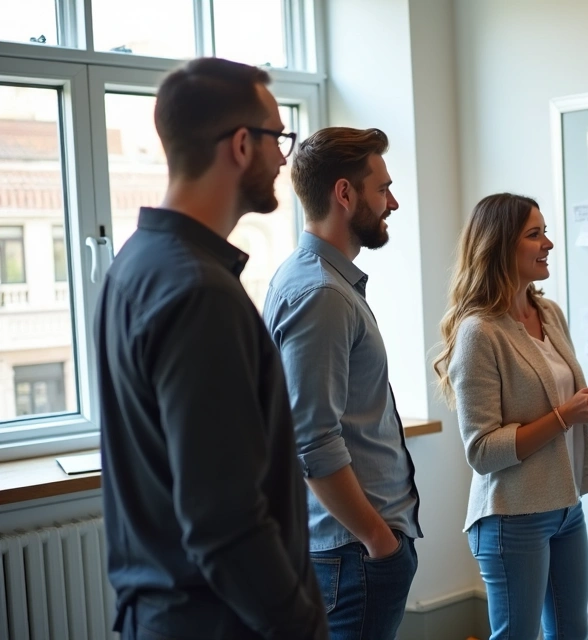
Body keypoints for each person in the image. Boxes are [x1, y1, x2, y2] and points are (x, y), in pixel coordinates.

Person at [95, 58, 326, 639]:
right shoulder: (199, 292)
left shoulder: (135, 264)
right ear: (242, 144)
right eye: (278, 138)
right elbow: (224, 521)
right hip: (221, 622)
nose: (283, 157)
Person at [432, 193, 588, 640]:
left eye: (545, 233)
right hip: (511, 516)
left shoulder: (549, 313)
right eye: (535, 235)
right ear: (501, 246)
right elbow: (482, 451)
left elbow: (566, 406)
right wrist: (564, 415)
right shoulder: (479, 331)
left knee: (570, 633)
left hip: (564, 506)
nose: (549, 244)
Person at [263, 127, 423, 640]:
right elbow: (311, 440)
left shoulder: (316, 279)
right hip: (353, 555)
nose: (393, 202)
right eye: (383, 189)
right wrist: (379, 540)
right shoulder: (321, 294)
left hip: (350, 550)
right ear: (345, 194)